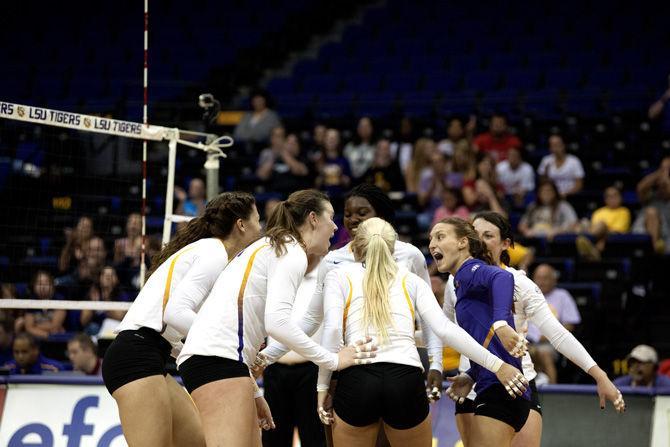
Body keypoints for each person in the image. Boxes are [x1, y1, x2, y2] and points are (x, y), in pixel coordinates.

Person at [177, 189, 376, 447]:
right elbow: (277, 323)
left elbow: (309, 319)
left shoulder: (277, 245)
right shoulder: (290, 251)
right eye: (331, 217)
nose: (335, 227)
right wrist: (333, 359)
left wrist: (263, 365)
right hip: (217, 360)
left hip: (224, 361)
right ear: (314, 219)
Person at [255, 184, 444, 446]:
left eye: (362, 213)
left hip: (379, 372)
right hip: (353, 372)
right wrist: (268, 356)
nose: (353, 219)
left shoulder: (410, 255)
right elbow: (312, 320)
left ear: (382, 217)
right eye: (348, 213)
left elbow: (428, 321)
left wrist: (436, 363)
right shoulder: (332, 259)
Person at [316, 218, 526, 447]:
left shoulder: (338, 275)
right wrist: (499, 365)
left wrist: (323, 388)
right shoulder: (412, 280)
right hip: (405, 378)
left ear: (355, 248)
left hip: (357, 378)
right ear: (393, 247)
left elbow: (333, 330)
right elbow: (445, 330)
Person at [445, 212, 625, 447]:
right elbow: (444, 329)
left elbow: (558, 335)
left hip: (517, 380)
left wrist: (600, 376)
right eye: (475, 235)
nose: (480, 241)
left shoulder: (519, 283)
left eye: (488, 235)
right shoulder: (454, 281)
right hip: (470, 385)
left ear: (506, 244)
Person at [101, 192, 262, 447]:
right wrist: (222, 341)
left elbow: (175, 330)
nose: (261, 228)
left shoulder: (212, 253)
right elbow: (175, 313)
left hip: (155, 354)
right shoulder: (214, 252)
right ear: (241, 225)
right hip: (135, 356)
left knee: (197, 442)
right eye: (258, 220)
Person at [428, 217, 530, 446]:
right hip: (490, 385)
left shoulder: (471, 269)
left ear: (463, 242)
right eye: (431, 239)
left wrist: (501, 324)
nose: (432, 244)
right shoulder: (459, 283)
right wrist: (472, 374)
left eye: (440, 236)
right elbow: (480, 337)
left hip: (501, 389)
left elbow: (503, 277)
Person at [576, 186, 631, 261]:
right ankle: (590, 247)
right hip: (597, 235)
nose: (613, 198)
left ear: (620, 197)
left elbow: (618, 231)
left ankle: (588, 242)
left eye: (615, 195)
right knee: (582, 223)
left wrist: (603, 238)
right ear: (605, 199)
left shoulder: (624, 211)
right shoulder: (598, 212)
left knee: (602, 224)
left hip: (611, 237)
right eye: (609, 196)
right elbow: (593, 228)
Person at [632, 155, 670, 254]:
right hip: (644, 232)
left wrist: (665, 178)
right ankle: (652, 253)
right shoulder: (651, 196)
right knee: (651, 212)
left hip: (666, 235)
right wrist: (661, 171)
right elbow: (640, 188)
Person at [81, 266, 132, 335]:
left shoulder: (122, 295)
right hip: (96, 329)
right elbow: (83, 321)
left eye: (111, 275)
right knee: (92, 327)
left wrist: (106, 299)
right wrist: (93, 304)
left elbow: (120, 317)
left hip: (114, 329)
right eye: (104, 274)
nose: (108, 277)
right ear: (99, 278)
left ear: (116, 279)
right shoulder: (93, 294)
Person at [24, 270, 66, 339]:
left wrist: (34, 326)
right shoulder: (31, 301)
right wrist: (46, 335)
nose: (43, 286)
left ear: (52, 285)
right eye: (39, 283)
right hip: (37, 336)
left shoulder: (59, 299)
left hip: (56, 337)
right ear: (34, 286)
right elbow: (28, 328)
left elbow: (55, 325)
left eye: (46, 283)